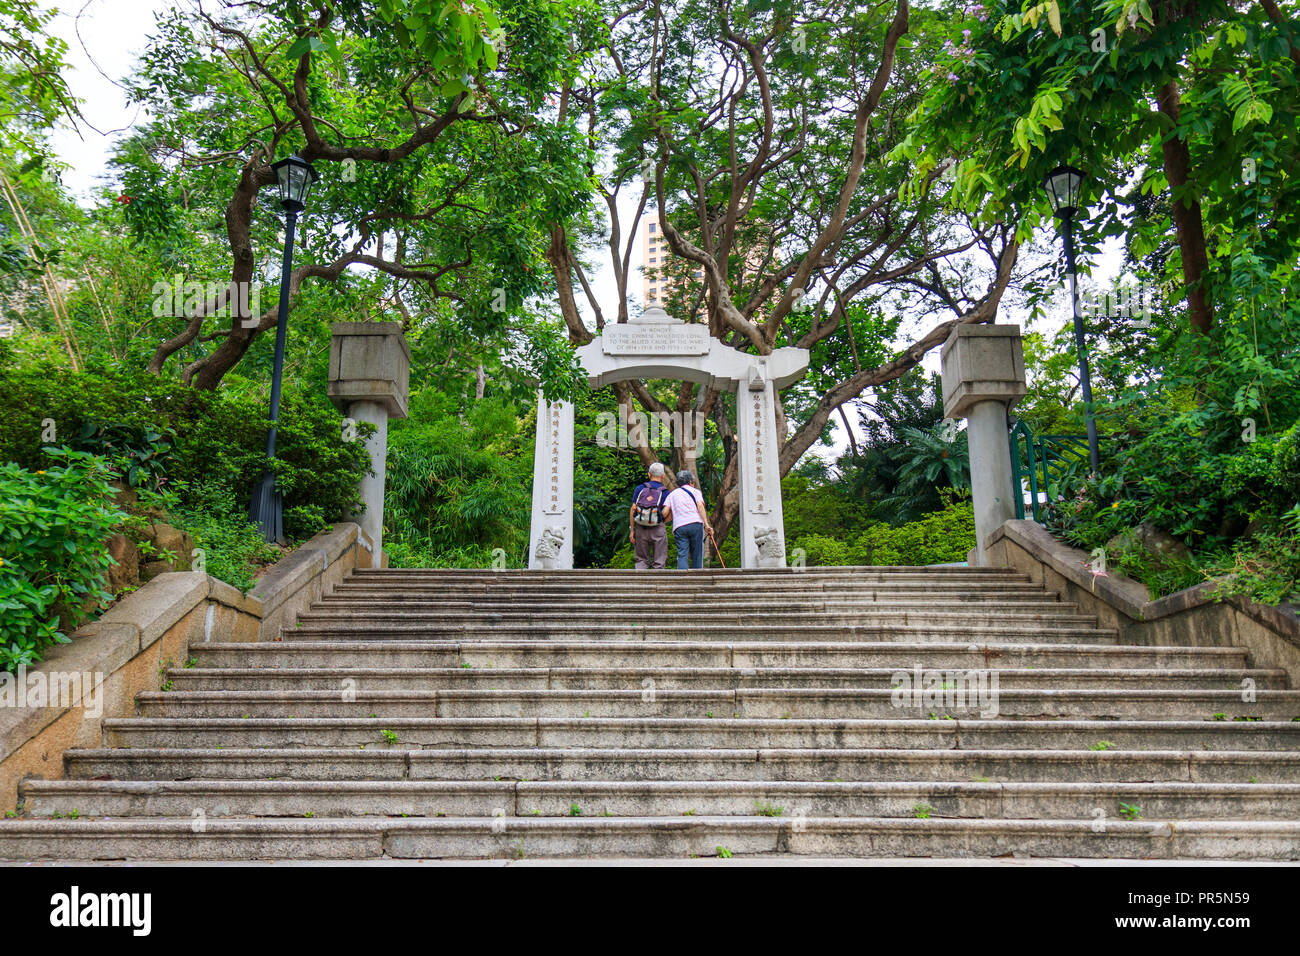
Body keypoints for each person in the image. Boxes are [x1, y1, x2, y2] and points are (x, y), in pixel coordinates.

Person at [664, 469, 713, 570]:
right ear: (690, 482)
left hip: (679, 527)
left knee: (682, 555)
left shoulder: (672, 494)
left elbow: (665, 512)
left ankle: (682, 581)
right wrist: (706, 524)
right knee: (697, 554)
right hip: (695, 524)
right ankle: (697, 579)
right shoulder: (695, 492)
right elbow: (700, 506)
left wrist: (662, 522)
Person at [629, 462, 671, 569]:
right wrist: (661, 522)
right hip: (658, 528)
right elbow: (669, 512)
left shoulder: (640, 488)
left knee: (641, 560)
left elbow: (633, 508)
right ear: (663, 476)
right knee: (660, 561)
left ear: (649, 474)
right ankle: (657, 584)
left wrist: (632, 530)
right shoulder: (666, 492)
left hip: (641, 527)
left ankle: (641, 584)